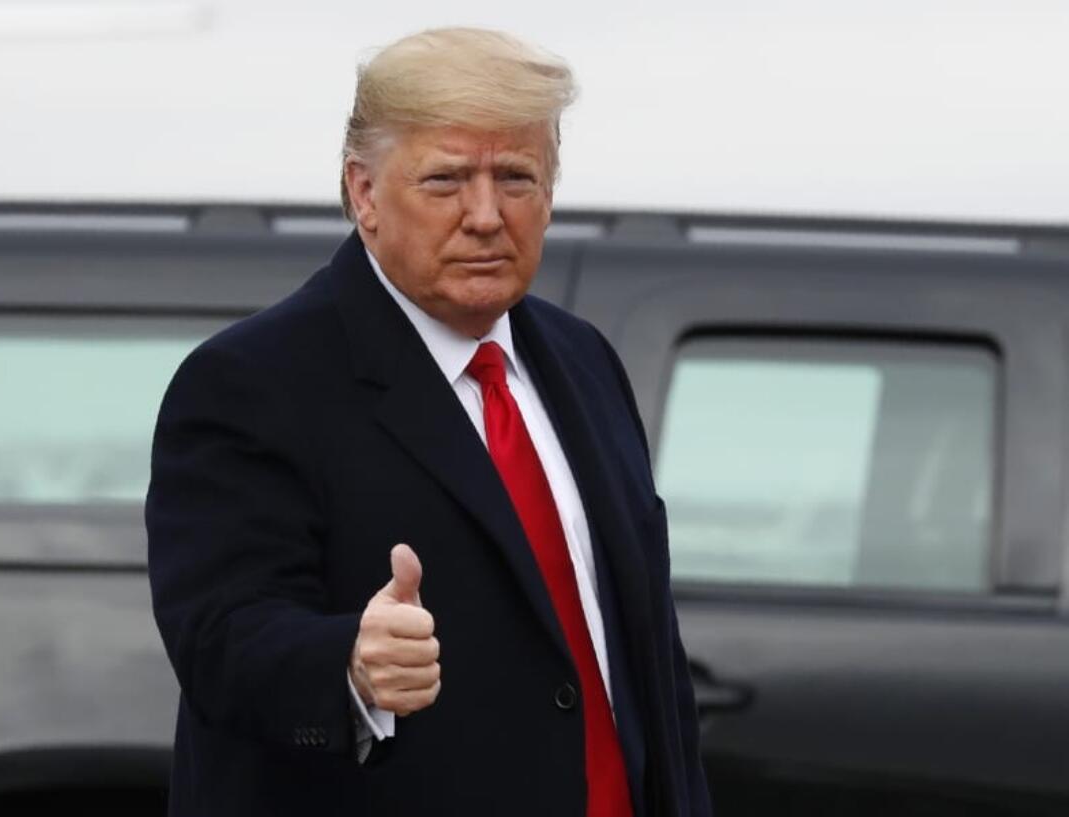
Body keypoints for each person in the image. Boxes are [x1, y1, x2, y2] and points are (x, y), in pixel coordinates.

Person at [146, 26, 711, 817]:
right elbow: (221, 639)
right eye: (446, 180)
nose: (486, 215)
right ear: (365, 192)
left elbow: (649, 658)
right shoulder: (251, 383)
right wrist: (347, 664)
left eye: (516, 177)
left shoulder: (584, 362)